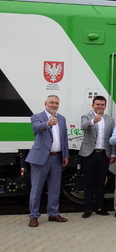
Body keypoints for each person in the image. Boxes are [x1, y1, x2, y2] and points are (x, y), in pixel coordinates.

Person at [26, 95, 70, 227]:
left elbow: (64, 139)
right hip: (41, 158)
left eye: (56, 103)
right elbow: (36, 128)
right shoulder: (37, 117)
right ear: (45, 103)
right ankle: (33, 216)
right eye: (51, 102)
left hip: (57, 157)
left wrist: (65, 155)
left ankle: (53, 213)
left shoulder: (61, 118)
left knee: (55, 188)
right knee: (37, 188)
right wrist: (48, 124)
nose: (54, 105)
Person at [79, 95, 116, 219]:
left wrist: (112, 154)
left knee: (100, 182)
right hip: (89, 154)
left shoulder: (110, 120)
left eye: (102, 105)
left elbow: (112, 138)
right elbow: (83, 126)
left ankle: (100, 207)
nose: (100, 106)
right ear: (93, 105)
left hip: (103, 154)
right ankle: (88, 208)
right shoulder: (87, 117)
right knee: (89, 182)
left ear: (105, 106)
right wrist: (93, 121)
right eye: (97, 104)